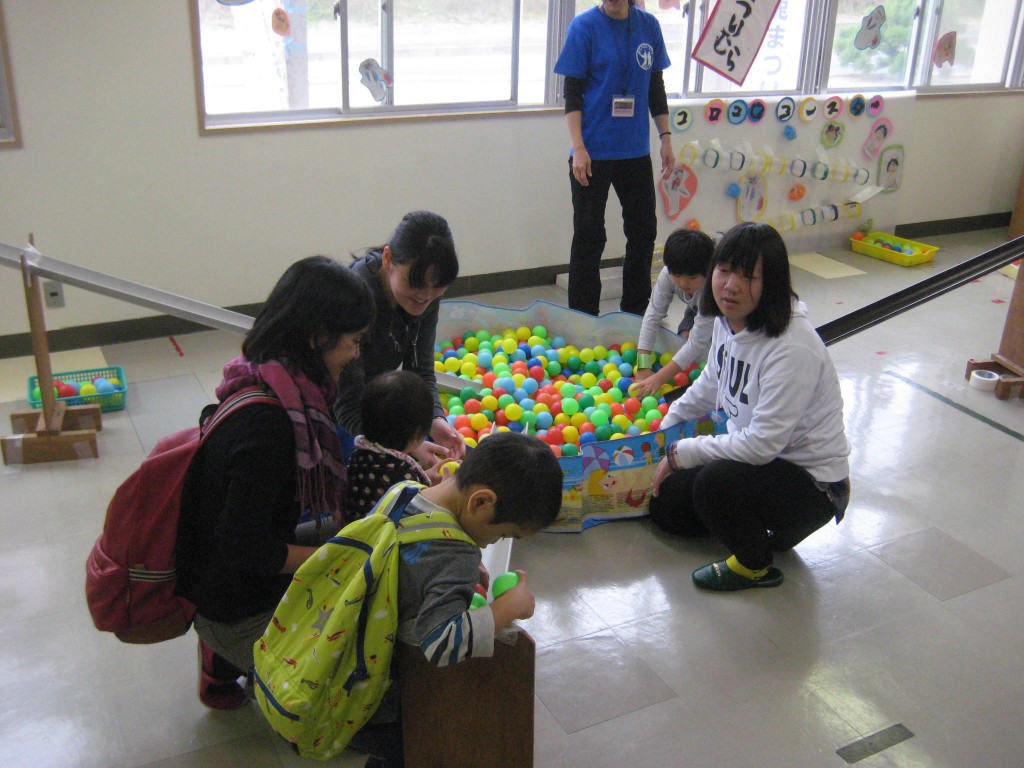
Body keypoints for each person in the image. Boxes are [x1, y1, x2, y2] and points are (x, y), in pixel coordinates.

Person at [175, 255, 374, 709]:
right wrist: (338, 559)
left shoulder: (261, 374)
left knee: (352, 541)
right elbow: (244, 547)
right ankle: (236, 650)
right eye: (354, 341)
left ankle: (230, 656)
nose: (357, 355)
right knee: (365, 687)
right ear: (318, 337)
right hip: (231, 605)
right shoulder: (271, 426)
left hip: (220, 578)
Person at [647, 222, 851, 591]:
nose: (731, 285)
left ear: (771, 282)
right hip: (762, 466)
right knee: (665, 506)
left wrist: (684, 452)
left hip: (811, 486)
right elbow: (711, 382)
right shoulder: (728, 321)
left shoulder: (792, 348)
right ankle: (749, 523)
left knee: (713, 483)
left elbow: (760, 446)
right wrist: (666, 429)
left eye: (748, 276)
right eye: (724, 271)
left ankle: (755, 564)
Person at [351, 431, 564, 767]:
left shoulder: (404, 492)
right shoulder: (455, 555)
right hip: (386, 698)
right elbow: (440, 643)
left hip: (349, 659)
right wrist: (504, 610)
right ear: (481, 502)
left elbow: (411, 556)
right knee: (405, 756)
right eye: (504, 534)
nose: (494, 544)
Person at [554, 0, 675, 317]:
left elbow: (655, 86)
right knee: (589, 236)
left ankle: (635, 312)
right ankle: (582, 315)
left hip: (634, 151)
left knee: (643, 231)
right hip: (592, 152)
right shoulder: (584, 27)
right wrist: (578, 148)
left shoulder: (648, 25)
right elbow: (572, 92)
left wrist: (665, 138)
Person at [334, 211, 466, 464]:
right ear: (387, 259)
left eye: (437, 287)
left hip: (372, 401)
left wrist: (434, 420)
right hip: (332, 409)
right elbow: (345, 405)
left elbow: (420, 370)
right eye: (414, 284)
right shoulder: (355, 299)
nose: (424, 297)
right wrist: (407, 447)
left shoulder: (425, 293)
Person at [630, 228, 715, 398]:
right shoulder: (668, 275)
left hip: (730, 317)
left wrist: (659, 378)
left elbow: (697, 342)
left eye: (692, 278)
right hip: (696, 309)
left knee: (713, 351)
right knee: (684, 337)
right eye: (677, 275)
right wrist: (643, 366)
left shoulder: (714, 289)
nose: (683, 283)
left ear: (709, 269)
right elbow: (652, 316)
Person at [346, 369, 438, 518]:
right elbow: (421, 514)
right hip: (380, 539)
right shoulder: (406, 479)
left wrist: (424, 476)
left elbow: (382, 483)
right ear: (417, 434)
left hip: (350, 530)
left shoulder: (359, 454)